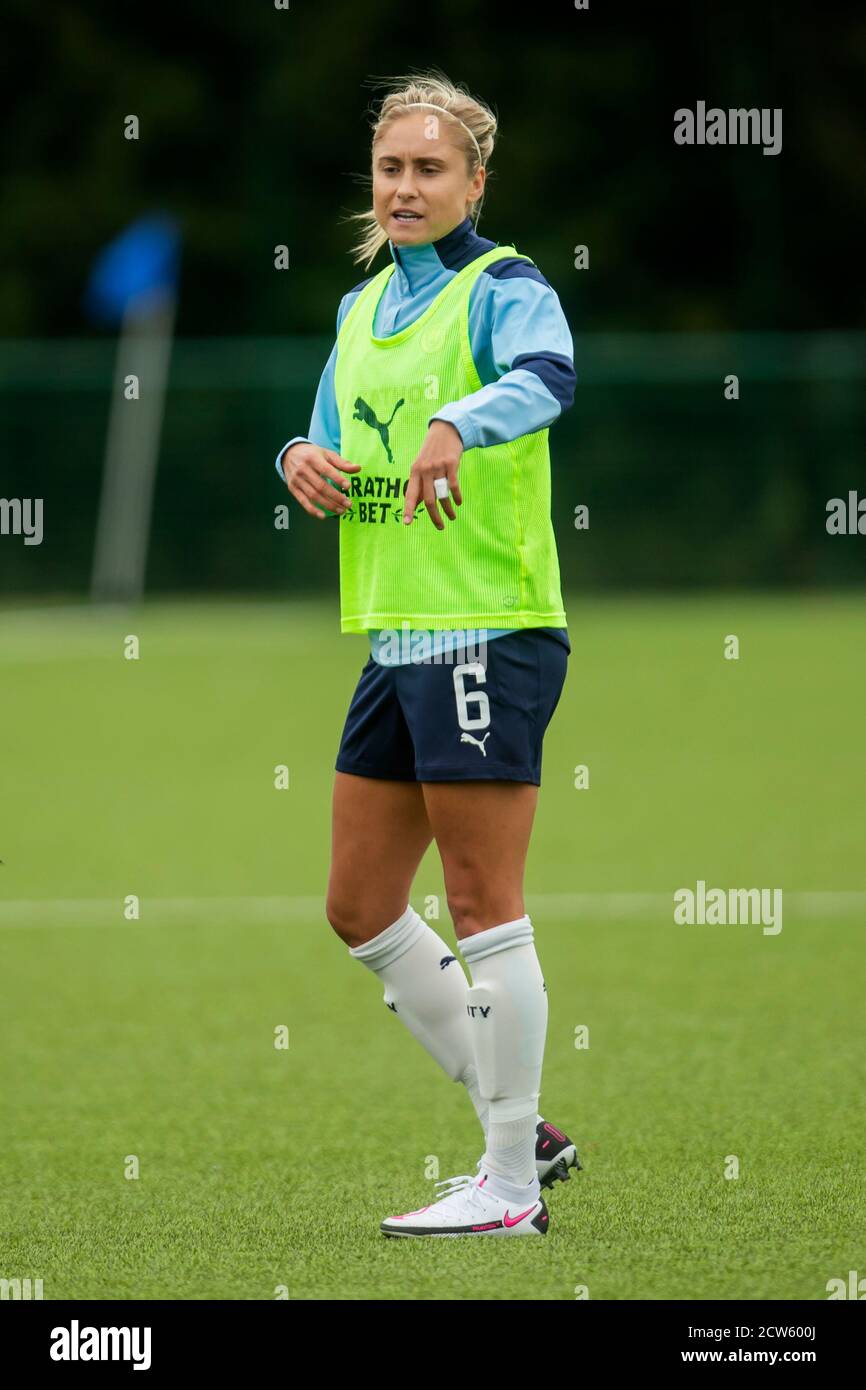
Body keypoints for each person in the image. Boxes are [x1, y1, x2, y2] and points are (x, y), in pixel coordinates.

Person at [275, 69, 581, 1238]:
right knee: (358, 905)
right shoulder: (361, 310)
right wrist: (297, 457)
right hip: (394, 630)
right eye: (391, 168)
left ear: (472, 182)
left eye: (429, 169)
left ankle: (506, 1185)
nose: (405, 186)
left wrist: (462, 421)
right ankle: (528, 1133)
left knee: (479, 901)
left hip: (486, 626)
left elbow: (548, 378)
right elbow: (326, 429)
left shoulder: (504, 287)